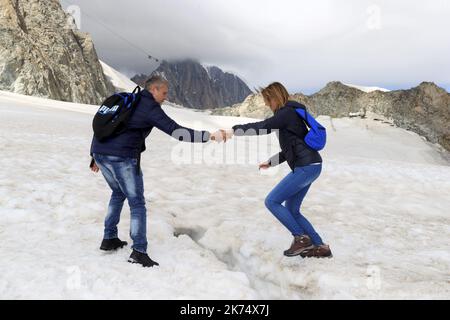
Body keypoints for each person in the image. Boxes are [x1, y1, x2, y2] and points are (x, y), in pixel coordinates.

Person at [90, 75, 225, 267]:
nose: (165, 97)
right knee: (137, 203)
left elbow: (103, 126)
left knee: (118, 192)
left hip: (101, 153)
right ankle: (138, 251)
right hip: (122, 157)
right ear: (154, 89)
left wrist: (94, 155)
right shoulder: (148, 106)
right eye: (164, 93)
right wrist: (209, 136)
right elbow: (176, 131)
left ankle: (109, 238)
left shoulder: (129, 99)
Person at [223, 82, 332, 258]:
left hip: (305, 167)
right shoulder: (291, 114)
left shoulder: (285, 113)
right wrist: (272, 162)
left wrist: (234, 130)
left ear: (275, 97)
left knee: (272, 201)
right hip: (312, 165)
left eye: (268, 100)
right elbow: (293, 146)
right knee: (292, 209)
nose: (267, 104)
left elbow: (263, 127)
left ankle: (301, 238)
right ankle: (320, 247)